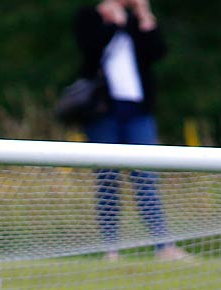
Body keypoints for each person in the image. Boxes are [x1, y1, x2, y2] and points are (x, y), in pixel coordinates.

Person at [72, 0, 185, 261]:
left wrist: (144, 15)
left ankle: (163, 246)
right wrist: (113, 23)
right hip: (102, 112)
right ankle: (111, 249)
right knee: (108, 179)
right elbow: (90, 51)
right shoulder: (90, 15)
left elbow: (157, 52)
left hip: (138, 112)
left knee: (146, 177)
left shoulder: (136, 20)